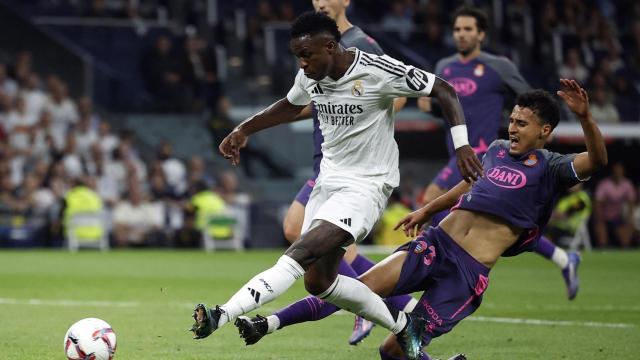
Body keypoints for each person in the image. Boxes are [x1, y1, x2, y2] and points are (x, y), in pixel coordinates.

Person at [235, 80, 607, 359]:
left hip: (465, 274)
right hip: (435, 244)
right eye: (511, 120)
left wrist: (586, 117)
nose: (512, 128)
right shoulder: (494, 150)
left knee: (392, 352)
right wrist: (429, 210)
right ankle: (267, 323)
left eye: (522, 124)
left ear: (544, 131)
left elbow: (597, 160)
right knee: (357, 289)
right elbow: (468, 181)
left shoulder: (553, 167)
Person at [190, 12, 482, 360]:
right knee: (319, 282)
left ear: (330, 46)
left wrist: (462, 144)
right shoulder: (309, 75)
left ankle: (221, 314)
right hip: (327, 184)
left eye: (307, 55)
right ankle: (406, 325)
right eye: (297, 56)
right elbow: (289, 104)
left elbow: (443, 89)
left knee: (298, 254)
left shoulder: (378, 71)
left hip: (366, 187)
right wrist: (244, 130)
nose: (302, 63)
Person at [419, 5, 581, 300]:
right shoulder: (444, 67)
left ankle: (433, 267)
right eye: (457, 29)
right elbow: (440, 109)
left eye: (468, 29)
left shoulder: (498, 65)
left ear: (481, 34)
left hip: (484, 154)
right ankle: (562, 259)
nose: (462, 34)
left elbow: (529, 101)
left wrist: (517, 123)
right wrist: (428, 105)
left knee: (432, 199)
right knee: (494, 220)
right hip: (455, 153)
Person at [281, 0, 412, 345]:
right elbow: (310, 100)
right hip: (324, 158)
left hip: (350, 164)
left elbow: (398, 95)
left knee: (310, 233)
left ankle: (364, 308)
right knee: (301, 231)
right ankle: (401, 302)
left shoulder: (363, 44)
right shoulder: (315, 43)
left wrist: (363, 118)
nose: (321, 1)